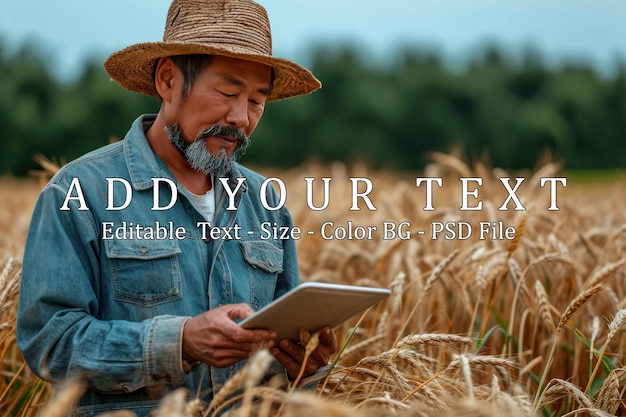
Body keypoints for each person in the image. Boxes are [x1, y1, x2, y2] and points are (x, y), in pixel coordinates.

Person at [16, 1, 337, 416]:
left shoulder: (265, 203)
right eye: (227, 91)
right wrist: (180, 341)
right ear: (169, 80)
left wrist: (301, 362)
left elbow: (273, 358)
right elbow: (50, 343)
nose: (240, 117)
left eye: (258, 101)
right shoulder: (80, 193)